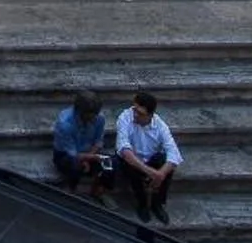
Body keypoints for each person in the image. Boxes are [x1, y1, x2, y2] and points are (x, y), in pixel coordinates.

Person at [113, 90, 182, 225]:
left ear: (150, 115)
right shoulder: (125, 117)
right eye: (135, 110)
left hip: (150, 161)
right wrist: (150, 172)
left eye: (140, 113)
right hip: (131, 160)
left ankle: (157, 204)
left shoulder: (160, 126)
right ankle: (142, 204)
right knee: (130, 164)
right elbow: (124, 149)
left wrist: (160, 174)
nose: (135, 115)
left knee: (165, 162)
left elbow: (174, 153)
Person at [52, 90, 114, 197]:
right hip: (66, 155)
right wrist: (89, 158)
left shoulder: (99, 118)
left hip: (90, 152)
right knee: (75, 164)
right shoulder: (65, 124)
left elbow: (98, 141)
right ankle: (71, 189)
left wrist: (90, 156)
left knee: (112, 163)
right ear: (80, 112)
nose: (94, 118)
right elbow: (72, 153)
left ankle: (99, 191)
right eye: (90, 115)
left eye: (96, 114)